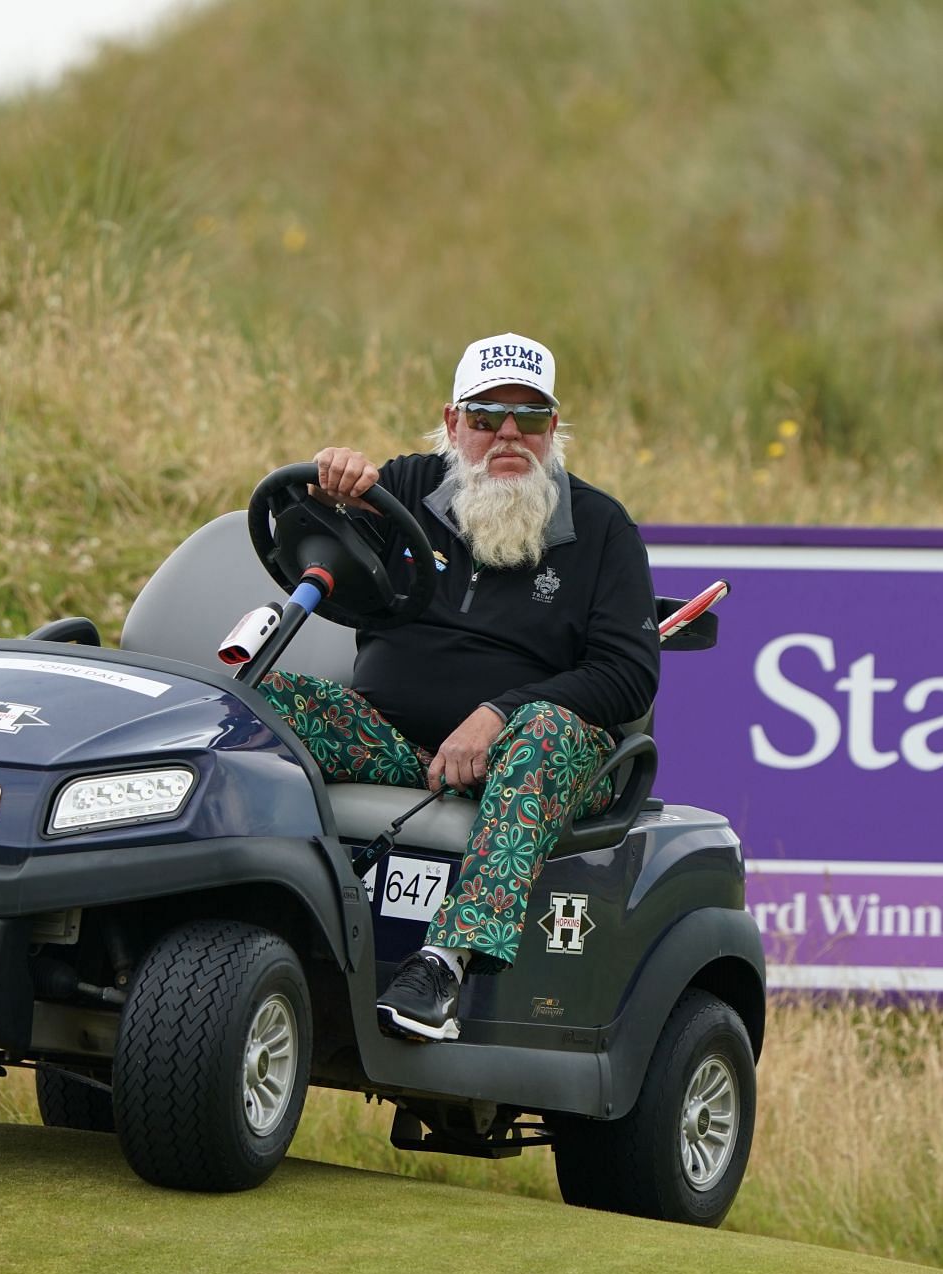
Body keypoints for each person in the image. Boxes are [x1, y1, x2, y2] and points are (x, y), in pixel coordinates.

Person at [257, 332, 661, 1042]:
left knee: (546, 730)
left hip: (536, 762)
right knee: (258, 698)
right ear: (452, 425)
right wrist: (333, 486)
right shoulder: (403, 489)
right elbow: (314, 541)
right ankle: (220, 917)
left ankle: (442, 965)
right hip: (399, 742)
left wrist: (497, 716)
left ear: (553, 429)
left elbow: (629, 673)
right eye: (485, 417)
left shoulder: (603, 529)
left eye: (530, 418)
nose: (509, 435)